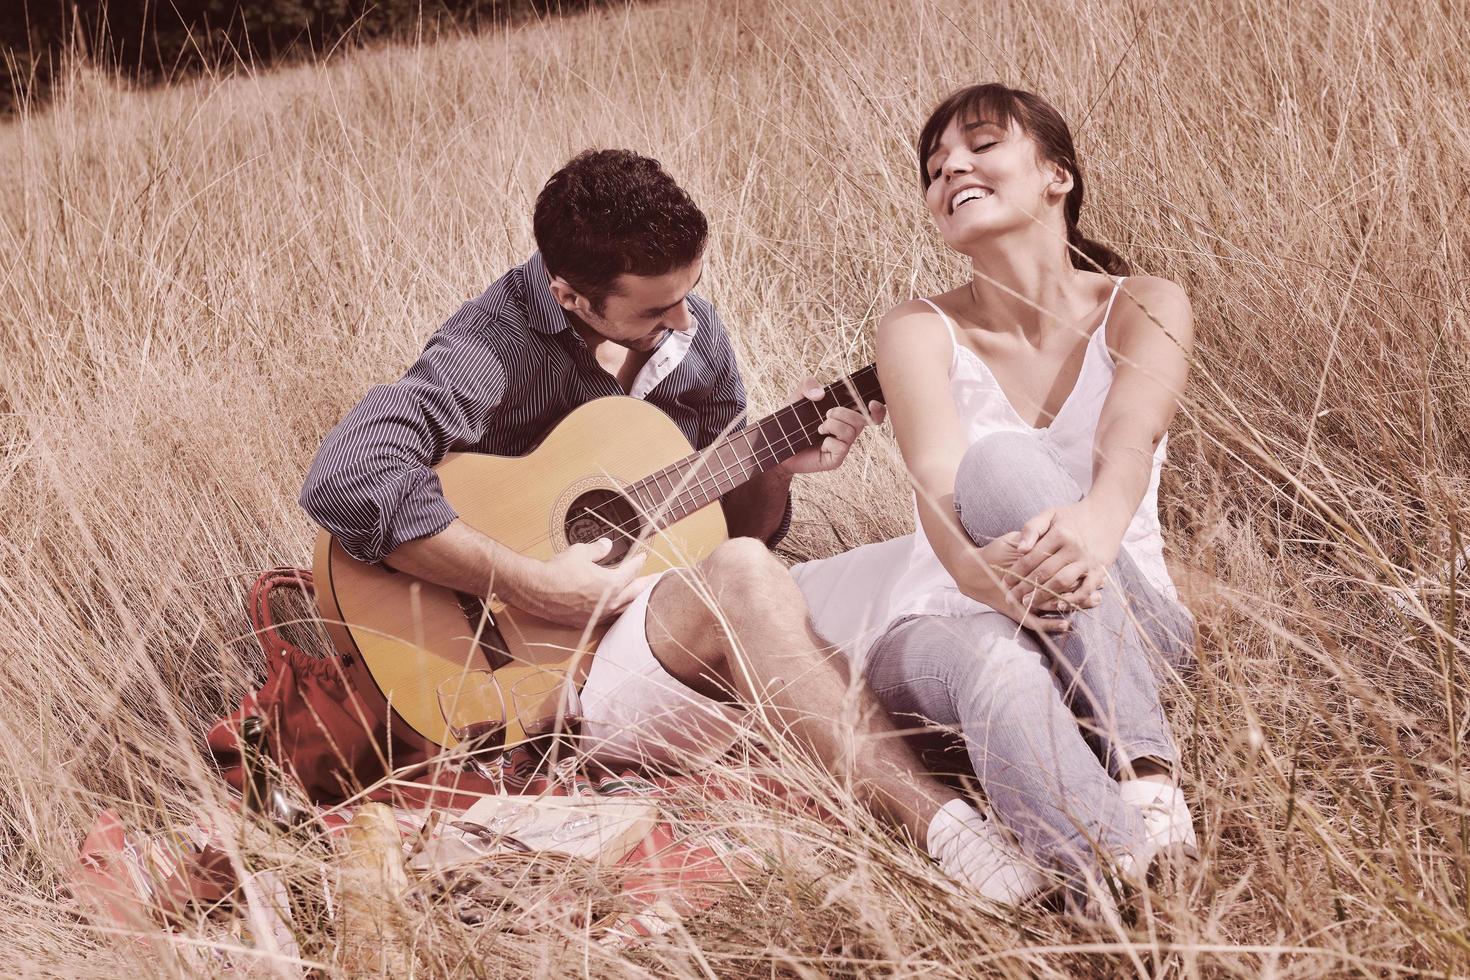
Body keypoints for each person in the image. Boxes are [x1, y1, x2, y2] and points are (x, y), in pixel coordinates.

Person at [300, 148, 1047, 901]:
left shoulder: (697, 338)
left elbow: (736, 533)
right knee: (751, 581)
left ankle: (1098, 784)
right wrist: (532, 584)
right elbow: (349, 474)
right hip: (552, 681)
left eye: (689, 292)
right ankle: (953, 836)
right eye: (656, 309)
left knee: (927, 566)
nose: (685, 319)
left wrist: (773, 470)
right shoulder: (489, 346)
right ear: (571, 296)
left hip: (669, 628)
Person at [800, 84, 1198, 911]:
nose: (951, 167)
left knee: (1007, 469)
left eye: (981, 145)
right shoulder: (915, 328)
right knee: (1001, 654)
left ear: (1057, 175)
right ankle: (1127, 880)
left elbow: (1129, 443)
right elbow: (938, 482)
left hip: (1124, 617)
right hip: (952, 620)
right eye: (935, 165)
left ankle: (1146, 778)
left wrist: (1093, 526)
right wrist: (978, 579)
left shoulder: (1147, 304)